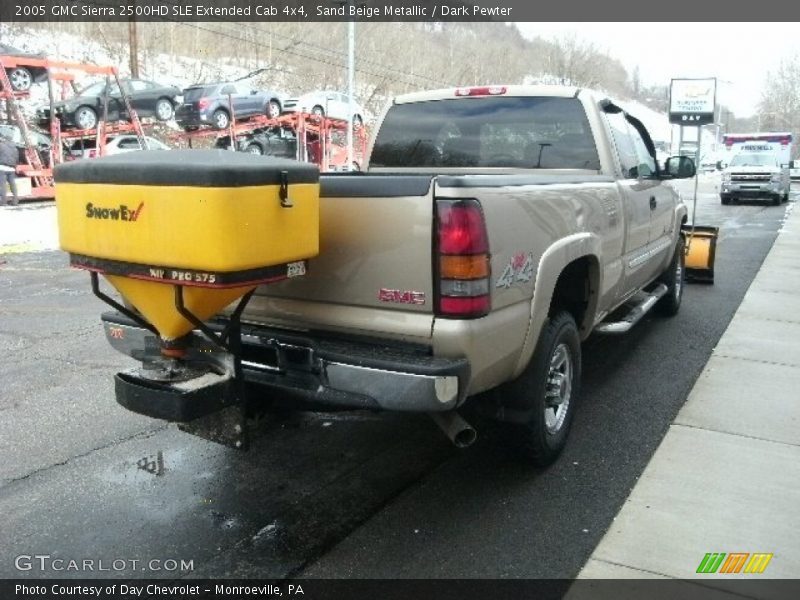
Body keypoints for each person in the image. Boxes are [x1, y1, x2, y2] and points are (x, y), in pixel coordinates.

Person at [0, 131, 20, 206]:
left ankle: (3, 202)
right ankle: (15, 201)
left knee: (2, 185)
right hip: (12, 169)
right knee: (13, 185)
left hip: (2, 168)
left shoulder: (1, 145)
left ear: (5, 139)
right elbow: (17, 159)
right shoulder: (15, 148)